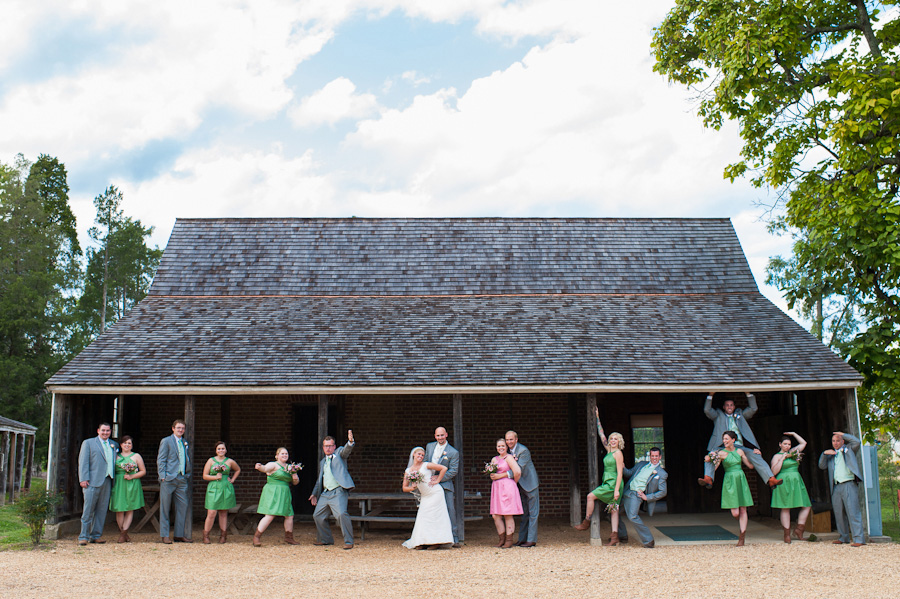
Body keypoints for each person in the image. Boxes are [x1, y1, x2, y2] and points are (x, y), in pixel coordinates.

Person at [698, 392, 782, 489]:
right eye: (727, 405)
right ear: (724, 407)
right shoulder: (718, 415)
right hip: (721, 446)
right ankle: (708, 478)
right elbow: (707, 410)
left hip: (739, 446)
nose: (729, 407)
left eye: (731, 405)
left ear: (734, 407)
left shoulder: (740, 415)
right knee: (710, 456)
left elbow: (753, 409)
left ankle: (771, 479)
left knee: (756, 455)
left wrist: (748, 393)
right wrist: (710, 395)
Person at [574, 413, 625, 546]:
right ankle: (615, 537)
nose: (613, 440)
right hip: (607, 481)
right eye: (611, 438)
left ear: (619, 441)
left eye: (615, 439)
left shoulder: (618, 453)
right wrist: (597, 417)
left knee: (591, 496)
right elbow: (601, 433)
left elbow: (620, 473)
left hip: (614, 483)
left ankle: (586, 522)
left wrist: (616, 490)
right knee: (614, 509)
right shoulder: (609, 450)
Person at [309, 430, 356, 549]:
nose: (328, 448)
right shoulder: (322, 462)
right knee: (317, 516)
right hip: (326, 493)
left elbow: (346, 450)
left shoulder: (339, 454)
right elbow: (319, 480)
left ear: (334, 446)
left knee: (341, 514)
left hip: (338, 491)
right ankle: (326, 539)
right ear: (323, 447)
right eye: (326, 446)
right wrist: (314, 494)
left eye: (330, 446)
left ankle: (349, 541)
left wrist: (350, 442)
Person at [818, 431, 865, 546]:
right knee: (839, 513)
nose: (836, 443)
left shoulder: (849, 449)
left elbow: (857, 441)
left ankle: (858, 539)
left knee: (853, 511)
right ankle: (843, 537)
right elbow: (821, 466)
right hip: (836, 486)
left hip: (849, 483)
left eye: (838, 440)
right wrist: (824, 454)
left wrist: (843, 434)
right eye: (833, 441)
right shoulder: (830, 454)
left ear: (842, 441)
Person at [401, 446, 452, 549]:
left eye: (422, 455)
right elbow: (404, 487)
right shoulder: (408, 470)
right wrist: (412, 487)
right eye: (419, 454)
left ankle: (436, 542)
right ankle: (422, 541)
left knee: (435, 517)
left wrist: (438, 480)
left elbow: (443, 468)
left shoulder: (426, 465)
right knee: (423, 518)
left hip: (435, 493)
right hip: (425, 496)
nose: (420, 456)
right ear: (414, 455)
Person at [77, 423, 120, 545]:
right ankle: (83, 536)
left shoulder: (114, 445)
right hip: (92, 480)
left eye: (107, 431)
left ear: (110, 431)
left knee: (102, 510)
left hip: (108, 479)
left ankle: (96, 535)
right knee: (88, 509)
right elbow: (83, 462)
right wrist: (83, 478)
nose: (105, 433)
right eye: (103, 430)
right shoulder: (89, 443)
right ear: (98, 431)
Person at [617, 447, 668, 549]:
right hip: (627, 491)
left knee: (632, 516)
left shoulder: (662, 473)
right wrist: (622, 467)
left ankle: (648, 540)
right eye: (652, 456)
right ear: (650, 456)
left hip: (636, 495)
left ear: (660, 457)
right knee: (614, 512)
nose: (654, 458)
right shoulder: (641, 464)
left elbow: (663, 492)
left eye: (656, 456)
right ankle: (622, 536)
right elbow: (629, 473)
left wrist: (647, 497)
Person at [712, 431, 754, 546]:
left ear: (733, 440)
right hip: (730, 480)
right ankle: (741, 522)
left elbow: (750, 466)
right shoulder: (721, 453)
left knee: (743, 509)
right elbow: (714, 468)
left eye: (726, 439)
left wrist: (755, 454)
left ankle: (742, 536)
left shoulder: (740, 451)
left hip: (740, 479)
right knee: (735, 512)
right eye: (723, 439)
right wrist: (711, 460)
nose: (724, 441)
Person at [252, 447, 300, 546]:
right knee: (270, 515)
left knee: (289, 515)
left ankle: (289, 537)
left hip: (285, 492)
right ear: (277, 456)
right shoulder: (273, 465)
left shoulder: (290, 467)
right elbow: (265, 469)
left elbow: (295, 482)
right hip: (273, 492)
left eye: (286, 454)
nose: (284, 455)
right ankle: (256, 537)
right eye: (282, 454)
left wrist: (294, 476)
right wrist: (259, 466)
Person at [771, 432, 811, 543]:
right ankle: (787, 534)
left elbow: (804, 443)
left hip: (796, 480)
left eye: (789, 444)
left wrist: (794, 434)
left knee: (806, 505)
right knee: (786, 507)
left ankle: (799, 529)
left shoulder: (793, 453)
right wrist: (782, 459)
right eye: (785, 444)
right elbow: (774, 471)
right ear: (780, 444)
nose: (787, 446)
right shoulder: (777, 456)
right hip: (784, 481)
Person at [424, 426, 461, 547]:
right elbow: (425, 462)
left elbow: (453, 471)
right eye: (438, 435)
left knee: (450, 509)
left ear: (446, 435)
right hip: (429, 484)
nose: (440, 437)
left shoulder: (453, 452)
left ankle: (454, 537)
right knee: (431, 511)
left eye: (442, 435)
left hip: (445, 485)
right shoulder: (429, 446)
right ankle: (432, 538)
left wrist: (438, 479)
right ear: (435, 436)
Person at [502, 430, 539, 547]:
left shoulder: (523, 451)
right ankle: (522, 538)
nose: (509, 442)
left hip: (530, 484)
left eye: (511, 439)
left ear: (516, 440)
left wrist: (500, 475)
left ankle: (531, 539)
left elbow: (519, 469)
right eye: (507, 440)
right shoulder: (507, 451)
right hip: (520, 485)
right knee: (524, 513)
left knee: (533, 513)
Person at [157, 419, 192, 544]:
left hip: (182, 478)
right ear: (173, 428)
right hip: (169, 478)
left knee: (183, 506)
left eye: (182, 428)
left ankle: (179, 534)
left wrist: (187, 473)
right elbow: (161, 459)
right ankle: (165, 535)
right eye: (178, 428)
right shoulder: (166, 441)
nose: (180, 430)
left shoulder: (184, 442)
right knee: (165, 507)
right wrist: (162, 476)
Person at [109, 435, 146, 543]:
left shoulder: (136, 456)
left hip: (132, 483)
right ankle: (123, 533)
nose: (127, 445)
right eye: (125, 443)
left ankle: (123, 534)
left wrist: (131, 476)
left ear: (132, 445)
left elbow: (143, 471)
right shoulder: (115, 456)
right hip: (119, 484)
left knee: (130, 508)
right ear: (121, 445)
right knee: (119, 509)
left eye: (129, 443)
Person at [202, 441, 241, 544]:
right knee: (211, 512)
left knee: (223, 512)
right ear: (216, 450)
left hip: (225, 487)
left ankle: (223, 535)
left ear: (226, 450)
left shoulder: (230, 461)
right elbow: (205, 476)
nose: (221, 450)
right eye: (219, 449)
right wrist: (215, 477)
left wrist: (232, 479)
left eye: (223, 448)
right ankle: (206, 535)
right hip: (214, 487)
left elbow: (237, 469)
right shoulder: (211, 461)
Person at [488, 438, 523, 549]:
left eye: (503, 446)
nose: (501, 448)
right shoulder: (494, 459)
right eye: (499, 446)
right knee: (496, 515)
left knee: (508, 514)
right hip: (497, 488)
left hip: (507, 487)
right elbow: (492, 472)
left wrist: (512, 483)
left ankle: (509, 540)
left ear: (506, 447)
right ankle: (501, 539)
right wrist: (492, 475)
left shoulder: (509, 458)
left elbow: (517, 471)